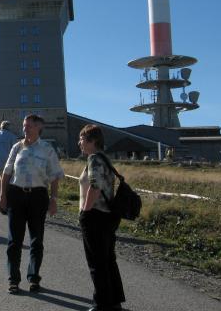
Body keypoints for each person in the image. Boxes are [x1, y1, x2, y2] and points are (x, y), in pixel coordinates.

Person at [0, 114, 64, 294]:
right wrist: (3, 196)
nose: (25, 129)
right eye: (24, 126)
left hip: (38, 197)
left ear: (39, 127)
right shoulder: (17, 147)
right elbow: (6, 173)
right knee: (15, 240)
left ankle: (34, 278)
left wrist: (54, 199)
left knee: (37, 240)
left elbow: (54, 176)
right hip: (16, 195)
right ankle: (13, 279)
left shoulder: (47, 149)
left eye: (29, 126)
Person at [78, 124, 125, 311]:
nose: (79, 143)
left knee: (96, 262)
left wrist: (85, 211)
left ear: (92, 140)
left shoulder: (94, 160)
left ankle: (101, 303)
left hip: (95, 216)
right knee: (108, 260)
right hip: (108, 216)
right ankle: (114, 301)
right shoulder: (105, 159)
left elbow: (95, 187)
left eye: (82, 139)